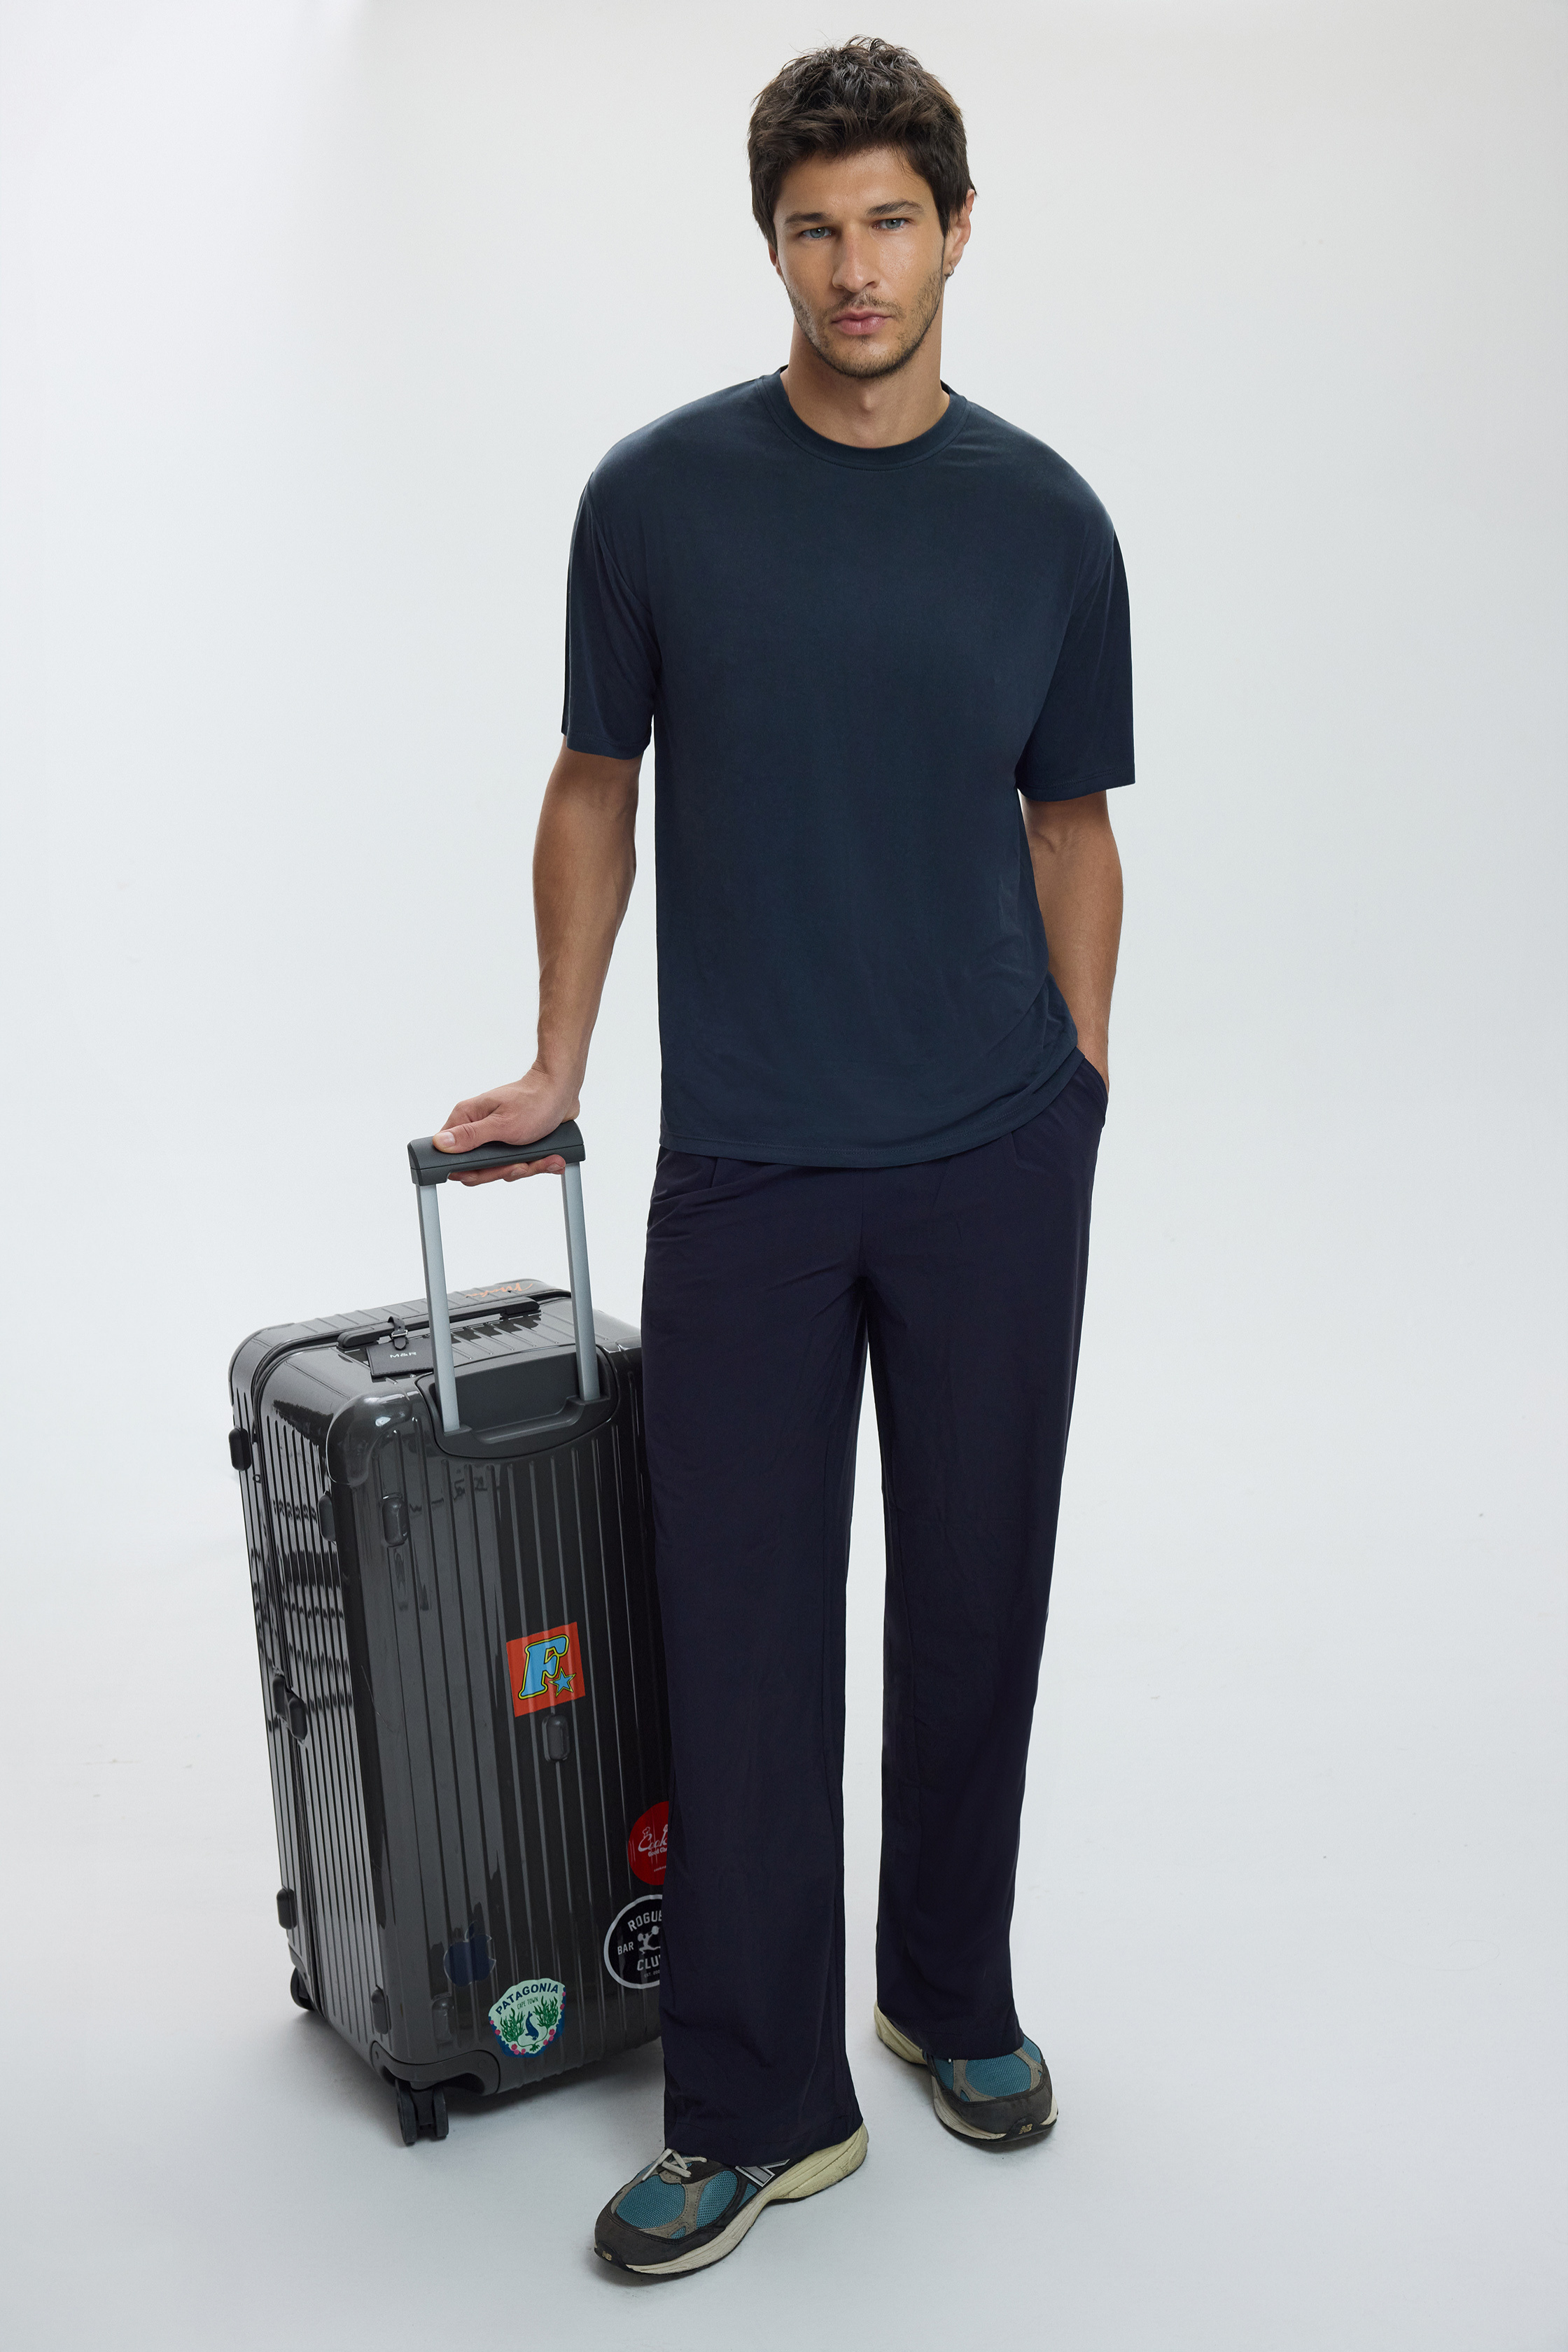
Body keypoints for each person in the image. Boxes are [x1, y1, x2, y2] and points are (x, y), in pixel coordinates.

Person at [433, 36, 1132, 2278]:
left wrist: (1077, 1083)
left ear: (957, 231)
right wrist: (560, 1061)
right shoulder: (657, 500)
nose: (856, 267)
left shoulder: (1047, 521)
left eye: (892, 221)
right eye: (816, 228)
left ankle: (950, 1991)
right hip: (746, 1163)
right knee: (736, 1637)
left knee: (979, 1593)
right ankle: (757, 2106)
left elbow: (1072, 825)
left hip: (995, 1155)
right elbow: (594, 781)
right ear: (772, 246)